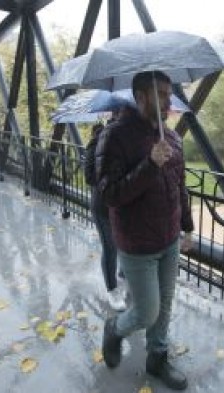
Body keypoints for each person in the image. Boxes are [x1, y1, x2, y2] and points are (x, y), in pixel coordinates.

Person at [95, 71, 194, 391]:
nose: (168, 101)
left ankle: (157, 359)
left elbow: (180, 186)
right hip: (137, 243)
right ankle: (114, 329)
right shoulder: (116, 136)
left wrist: (187, 227)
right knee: (146, 312)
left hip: (168, 239)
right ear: (141, 97)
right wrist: (150, 164)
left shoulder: (173, 137)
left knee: (164, 307)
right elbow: (110, 194)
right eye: (161, 94)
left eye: (169, 93)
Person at [84, 121, 126, 311]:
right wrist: (110, 171)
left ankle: (124, 276)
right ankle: (112, 289)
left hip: (123, 204)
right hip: (103, 205)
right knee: (110, 247)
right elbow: (89, 177)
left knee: (125, 243)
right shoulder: (96, 143)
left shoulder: (129, 141)